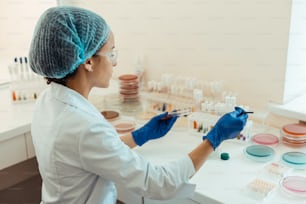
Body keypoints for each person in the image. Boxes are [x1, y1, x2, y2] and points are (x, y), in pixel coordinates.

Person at [29, 6, 249, 204]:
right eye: (111, 53)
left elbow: (90, 150)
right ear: (87, 60)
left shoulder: (50, 100)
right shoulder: (82, 126)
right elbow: (157, 183)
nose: (115, 62)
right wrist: (214, 138)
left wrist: (141, 135)